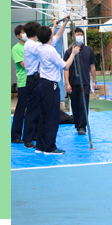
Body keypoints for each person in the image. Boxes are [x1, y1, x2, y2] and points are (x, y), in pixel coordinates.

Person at [23, 17, 68, 149]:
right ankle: (28, 138)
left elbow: (49, 39)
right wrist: (55, 29)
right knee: (33, 109)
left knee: (40, 110)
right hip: (34, 79)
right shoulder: (33, 45)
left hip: (38, 79)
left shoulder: (36, 44)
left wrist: (55, 26)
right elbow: (49, 41)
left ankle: (37, 136)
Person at [36, 26, 80, 155]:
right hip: (51, 86)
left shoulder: (39, 47)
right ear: (50, 36)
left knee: (43, 115)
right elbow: (65, 66)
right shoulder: (51, 50)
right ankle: (50, 147)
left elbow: (55, 38)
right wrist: (73, 53)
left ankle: (41, 145)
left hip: (42, 84)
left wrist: (60, 24)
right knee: (52, 117)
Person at [64, 28, 97, 135]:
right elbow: (66, 68)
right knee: (75, 105)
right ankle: (77, 124)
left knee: (84, 104)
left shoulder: (89, 50)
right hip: (73, 82)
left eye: (81, 34)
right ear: (72, 37)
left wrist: (94, 81)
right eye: (77, 34)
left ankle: (82, 126)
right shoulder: (68, 52)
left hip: (85, 82)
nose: (80, 36)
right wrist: (67, 83)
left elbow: (92, 66)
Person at [11, 25, 28, 144]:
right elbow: (24, 64)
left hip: (35, 81)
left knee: (34, 109)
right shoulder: (16, 48)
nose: (25, 34)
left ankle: (33, 134)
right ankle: (16, 135)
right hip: (23, 82)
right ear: (18, 36)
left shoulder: (32, 45)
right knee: (21, 109)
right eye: (23, 33)